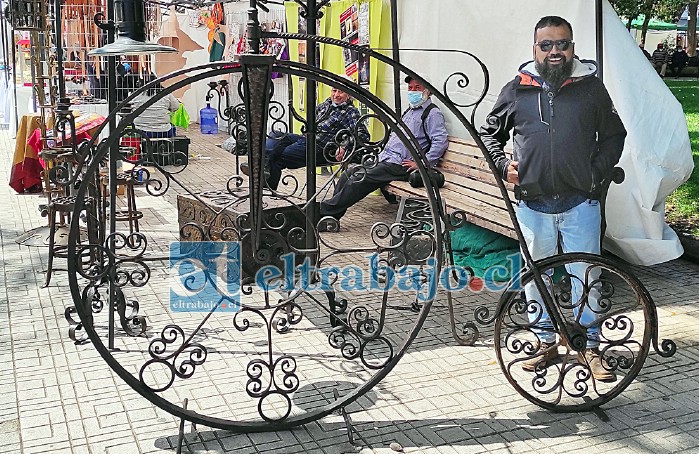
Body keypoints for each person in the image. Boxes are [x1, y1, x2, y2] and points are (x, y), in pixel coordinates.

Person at [480, 16, 627, 381]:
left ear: (572, 47)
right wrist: (502, 166)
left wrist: (596, 174)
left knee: (586, 276)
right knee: (537, 278)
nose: (555, 51)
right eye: (546, 45)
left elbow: (614, 135)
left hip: (581, 203)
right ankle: (544, 341)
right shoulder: (517, 89)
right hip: (533, 204)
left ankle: (589, 346)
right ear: (535, 49)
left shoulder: (591, 88)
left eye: (562, 43)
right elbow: (488, 134)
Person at [318, 76, 448, 229]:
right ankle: (331, 217)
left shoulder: (432, 113)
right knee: (349, 174)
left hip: (402, 164)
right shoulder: (410, 110)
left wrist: (422, 164)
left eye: (417, 88)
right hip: (387, 158)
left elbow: (440, 141)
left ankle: (323, 213)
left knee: (361, 178)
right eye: (410, 88)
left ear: (428, 92)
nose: (412, 91)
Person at [241, 86, 370, 190]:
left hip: (321, 148)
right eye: (334, 90)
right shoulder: (326, 104)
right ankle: (263, 166)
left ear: (348, 95)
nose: (336, 95)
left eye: (341, 92)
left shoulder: (351, 112)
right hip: (306, 138)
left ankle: (264, 182)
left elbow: (362, 134)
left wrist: (344, 145)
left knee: (277, 157)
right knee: (276, 134)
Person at [131, 73, 180, 138]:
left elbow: (131, 108)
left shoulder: (136, 95)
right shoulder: (166, 94)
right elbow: (176, 107)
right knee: (172, 127)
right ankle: (169, 147)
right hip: (163, 131)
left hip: (141, 131)